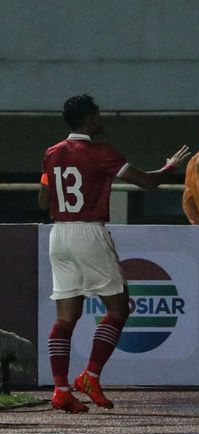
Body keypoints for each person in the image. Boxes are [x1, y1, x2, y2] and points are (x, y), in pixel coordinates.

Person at [38, 94, 190, 413]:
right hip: (88, 232)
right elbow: (147, 183)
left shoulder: (51, 153)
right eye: (99, 114)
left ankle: (61, 389)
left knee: (65, 318)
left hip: (59, 234)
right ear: (90, 119)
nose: (102, 118)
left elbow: (43, 201)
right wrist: (169, 167)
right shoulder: (101, 153)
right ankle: (91, 375)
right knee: (119, 308)